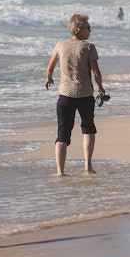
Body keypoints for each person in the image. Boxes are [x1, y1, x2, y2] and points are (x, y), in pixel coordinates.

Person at [45, 14, 104, 176]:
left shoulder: (60, 46)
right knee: (88, 129)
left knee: (62, 134)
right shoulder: (88, 47)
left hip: (65, 95)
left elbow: (50, 68)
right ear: (79, 30)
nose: (90, 31)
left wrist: (49, 78)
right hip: (84, 94)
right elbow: (96, 72)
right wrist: (100, 86)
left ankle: (60, 171)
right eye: (88, 28)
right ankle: (88, 167)